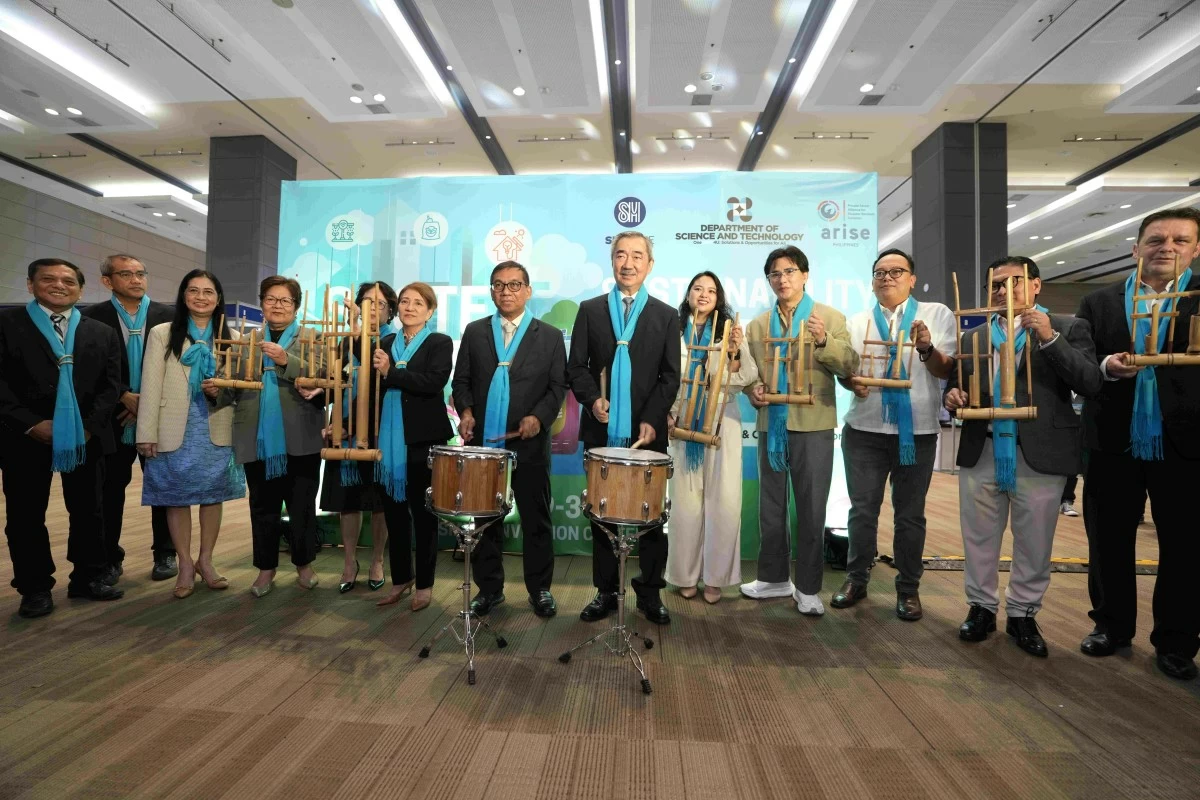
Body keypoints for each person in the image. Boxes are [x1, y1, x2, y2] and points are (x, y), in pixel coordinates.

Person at [946, 256, 1102, 657]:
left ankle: (1022, 614)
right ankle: (980, 607)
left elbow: (1088, 381)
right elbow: (955, 389)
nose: (1003, 290)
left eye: (1014, 281)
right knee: (979, 538)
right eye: (995, 285)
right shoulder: (974, 338)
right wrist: (954, 397)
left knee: (1034, 541)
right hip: (983, 448)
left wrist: (1049, 338)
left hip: (1041, 452)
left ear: (1036, 286)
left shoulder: (1067, 327)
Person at [1077, 207, 1200, 681]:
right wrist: (1108, 366)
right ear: (1136, 248)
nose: (1166, 247)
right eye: (1155, 239)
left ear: (1194, 249)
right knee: (1107, 539)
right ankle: (1110, 626)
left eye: (1179, 240)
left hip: (1186, 441)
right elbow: (1084, 364)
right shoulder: (1101, 301)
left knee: (1186, 546)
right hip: (1113, 438)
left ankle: (1177, 642)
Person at [833, 249, 956, 621]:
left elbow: (944, 369)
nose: (887, 278)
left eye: (896, 271)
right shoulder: (857, 321)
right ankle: (856, 579)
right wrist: (849, 382)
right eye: (879, 272)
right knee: (862, 512)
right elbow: (845, 371)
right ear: (872, 281)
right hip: (864, 431)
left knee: (910, 515)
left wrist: (925, 347)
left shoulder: (935, 314)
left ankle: (908, 588)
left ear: (912, 278)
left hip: (915, 432)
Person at [567, 231, 681, 625]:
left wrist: (650, 419)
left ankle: (649, 592)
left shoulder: (666, 315)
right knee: (601, 515)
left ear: (649, 264)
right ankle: (605, 592)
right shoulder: (590, 309)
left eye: (636, 256)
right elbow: (576, 367)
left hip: (647, 435)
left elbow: (670, 376)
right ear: (612, 261)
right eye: (620, 255)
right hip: (601, 431)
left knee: (651, 518)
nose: (627, 263)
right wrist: (592, 400)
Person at [0, 257, 124, 618]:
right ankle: (34, 587)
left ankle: (88, 577)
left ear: (81, 289)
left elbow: (110, 385)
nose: (59, 285)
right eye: (49, 279)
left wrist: (87, 426)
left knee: (89, 510)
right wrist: (30, 423)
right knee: (25, 515)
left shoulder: (100, 331)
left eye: (69, 281)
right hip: (24, 437)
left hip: (87, 438)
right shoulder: (7, 325)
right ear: (30, 284)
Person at [741, 245, 857, 616]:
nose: (782, 279)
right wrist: (752, 389)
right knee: (770, 507)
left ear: (805, 275)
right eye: (775, 274)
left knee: (810, 508)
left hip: (814, 425)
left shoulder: (830, 317)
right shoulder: (757, 325)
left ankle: (808, 587)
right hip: (772, 425)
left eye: (789, 271)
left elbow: (849, 365)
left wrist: (824, 341)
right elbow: (750, 374)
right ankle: (773, 578)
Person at [453, 261, 567, 618]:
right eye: (499, 285)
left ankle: (540, 589)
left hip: (529, 444)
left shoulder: (548, 335)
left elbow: (557, 386)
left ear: (528, 291)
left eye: (515, 285)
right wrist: (467, 412)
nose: (507, 292)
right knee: (485, 519)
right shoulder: (475, 332)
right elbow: (462, 382)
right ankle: (489, 589)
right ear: (491, 292)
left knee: (537, 519)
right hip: (484, 441)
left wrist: (539, 417)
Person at [136, 270, 246, 598]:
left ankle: (206, 561)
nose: (201, 297)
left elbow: (239, 389)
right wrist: (146, 431)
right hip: (173, 426)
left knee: (213, 495)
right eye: (194, 291)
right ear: (184, 296)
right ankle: (184, 564)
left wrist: (221, 391)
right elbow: (150, 385)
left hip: (217, 424)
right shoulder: (162, 333)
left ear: (218, 298)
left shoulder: (234, 337)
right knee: (175, 496)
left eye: (208, 291)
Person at [81, 254, 177, 583]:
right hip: (114, 417)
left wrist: (149, 401)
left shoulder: (171, 317)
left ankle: (165, 553)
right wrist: (123, 393)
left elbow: (180, 368)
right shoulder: (91, 317)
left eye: (140, 273)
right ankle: (110, 556)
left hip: (161, 416)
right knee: (109, 490)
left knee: (163, 487)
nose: (136, 280)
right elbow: (86, 367)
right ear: (108, 281)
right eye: (126, 274)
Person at [230, 276, 325, 597]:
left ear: (296, 306)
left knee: (301, 506)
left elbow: (327, 379)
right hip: (257, 437)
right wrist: (217, 388)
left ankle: (304, 565)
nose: (277, 306)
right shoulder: (246, 339)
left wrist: (287, 361)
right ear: (261, 303)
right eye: (271, 299)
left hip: (301, 436)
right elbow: (232, 383)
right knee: (262, 506)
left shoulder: (314, 337)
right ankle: (265, 570)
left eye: (285, 300)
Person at [664, 271, 756, 603]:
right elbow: (665, 377)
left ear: (720, 299)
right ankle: (684, 574)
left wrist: (734, 355)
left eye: (712, 290)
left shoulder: (730, 332)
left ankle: (716, 578)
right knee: (685, 504)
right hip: (682, 421)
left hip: (722, 417)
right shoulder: (670, 329)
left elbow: (746, 376)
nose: (704, 294)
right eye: (697, 288)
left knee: (724, 500)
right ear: (687, 294)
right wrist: (668, 413)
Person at [373, 282, 453, 612]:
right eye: (404, 302)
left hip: (424, 438)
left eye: (418, 303)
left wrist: (392, 372)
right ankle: (400, 579)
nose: (409, 307)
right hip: (389, 439)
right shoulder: (386, 341)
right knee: (394, 513)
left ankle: (425, 585)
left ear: (430, 310)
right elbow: (372, 386)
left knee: (423, 515)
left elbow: (434, 383)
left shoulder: (439, 342)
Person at [321, 282, 396, 594]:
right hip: (347, 431)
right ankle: (349, 561)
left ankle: (378, 559)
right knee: (347, 500)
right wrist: (335, 422)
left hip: (381, 430)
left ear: (390, 309)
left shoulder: (394, 341)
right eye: (366, 302)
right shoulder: (345, 340)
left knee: (381, 502)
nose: (372, 308)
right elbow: (335, 383)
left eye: (378, 303)